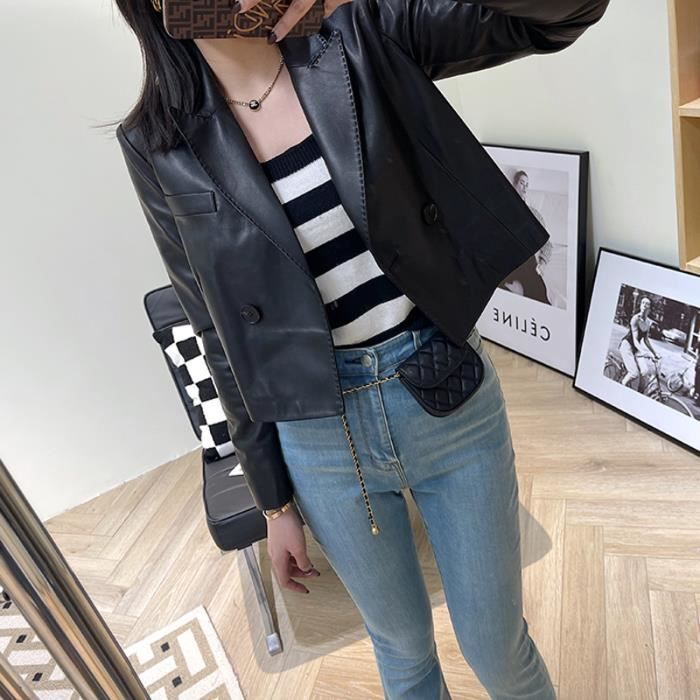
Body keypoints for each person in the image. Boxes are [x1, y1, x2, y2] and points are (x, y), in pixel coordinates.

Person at [112, 0, 609, 696]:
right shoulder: (157, 141)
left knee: (496, 648)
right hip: (320, 436)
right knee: (402, 653)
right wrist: (273, 503)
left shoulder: (358, 34)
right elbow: (218, 332)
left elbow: (558, 15)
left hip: (442, 390)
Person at [618, 297, 660, 390]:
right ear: (640, 306)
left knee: (645, 371)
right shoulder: (635, 319)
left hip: (636, 349)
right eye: (643, 303)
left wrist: (654, 353)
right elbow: (635, 340)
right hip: (627, 346)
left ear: (649, 308)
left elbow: (646, 340)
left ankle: (640, 392)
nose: (644, 305)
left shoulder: (648, 322)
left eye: (647, 303)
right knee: (634, 373)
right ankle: (621, 386)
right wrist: (644, 352)